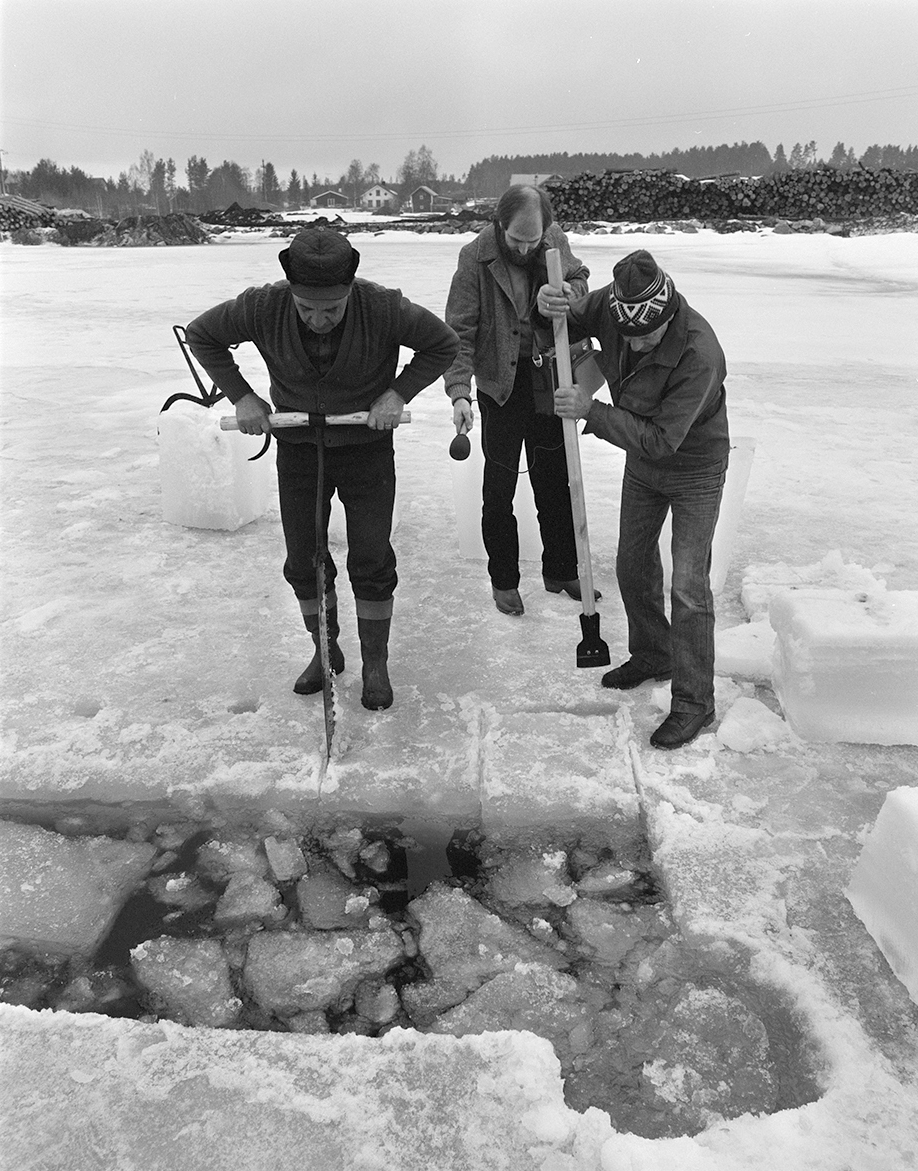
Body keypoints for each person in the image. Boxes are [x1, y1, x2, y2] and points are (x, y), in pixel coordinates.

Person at [185, 227, 459, 710]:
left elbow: (442, 343)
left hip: (366, 449)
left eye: (332, 309)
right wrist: (242, 396)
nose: (318, 320)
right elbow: (202, 335)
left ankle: (375, 662)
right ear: (290, 291)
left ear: (350, 288)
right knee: (303, 561)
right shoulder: (263, 306)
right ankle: (324, 649)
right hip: (299, 450)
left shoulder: (383, 308)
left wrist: (397, 394)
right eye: (306, 308)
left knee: (371, 558)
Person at [546, 249, 729, 750]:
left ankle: (695, 703)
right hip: (644, 466)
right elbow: (570, 317)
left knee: (688, 587)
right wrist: (550, 303)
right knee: (631, 562)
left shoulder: (699, 352)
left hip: (694, 467)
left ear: (668, 313)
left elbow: (661, 440)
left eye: (647, 335)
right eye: (628, 335)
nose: (636, 344)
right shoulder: (614, 306)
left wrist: (592, 411)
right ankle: (654, 654)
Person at [444, 184, 600, 616]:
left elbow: (581, 280)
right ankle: (504, 581)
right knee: (499, 492)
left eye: (533, 241)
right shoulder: (474, 258)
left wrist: (566, 293)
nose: (526, 249)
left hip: (548, 381)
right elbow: (459, 331)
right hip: (500, 389)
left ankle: (561, 569)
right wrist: (459, 393)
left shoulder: (553, 241)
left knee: (556, 482)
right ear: (500, 223)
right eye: (517, 240)